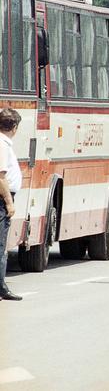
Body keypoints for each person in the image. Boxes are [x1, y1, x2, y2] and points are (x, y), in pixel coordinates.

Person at [0, 109, 22, 301]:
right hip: (2, 200)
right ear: (14, 128)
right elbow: (1, 177)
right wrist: (9, 203)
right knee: (0, 246)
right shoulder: (2, 144)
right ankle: (1, 288)